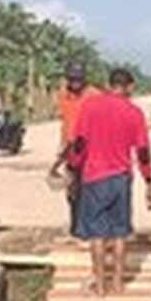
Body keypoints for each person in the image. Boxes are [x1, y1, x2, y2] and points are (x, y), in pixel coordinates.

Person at [66, 68, 151, 295]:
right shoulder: (134, 112)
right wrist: (149, 182)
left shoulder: (90, 106)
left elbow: (79, 143)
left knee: (96, 234)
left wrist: (71, 168)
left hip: (94, 177)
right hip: (120, 178)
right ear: (130, 86)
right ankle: (117, 282)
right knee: (119, 232)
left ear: (109, 84)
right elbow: (143, 151)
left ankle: (100, 284)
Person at [49, 61, 97, 234]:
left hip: (91, 151)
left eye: (78, 79)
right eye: (72, 79)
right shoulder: (63, 96)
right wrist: (61, 148)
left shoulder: (94, 96)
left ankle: (90, 226)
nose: (75, 82)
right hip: (70, 151)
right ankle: (76, 226)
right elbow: (65, 122)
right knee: (72, 191)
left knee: (90, 190)